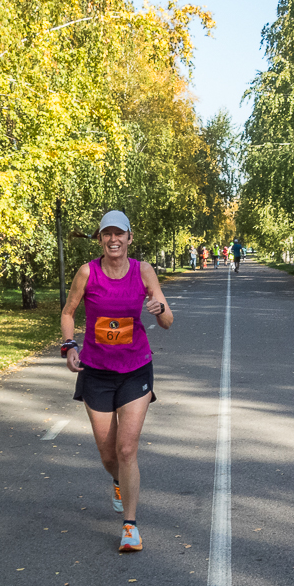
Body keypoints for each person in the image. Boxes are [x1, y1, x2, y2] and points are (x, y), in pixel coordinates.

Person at [61, 210, 173, 552]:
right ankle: (117, 481)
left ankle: (130, 527)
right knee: (107, 452)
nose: (113, 240)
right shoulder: (87, 272)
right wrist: (69, 347)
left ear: (129, 238)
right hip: (96, 370)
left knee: (127, 448)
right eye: (107, 234)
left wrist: (159, 309)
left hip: (136, 368)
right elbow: (68, 312)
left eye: (119, 234)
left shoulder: (143, 271)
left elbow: (167, 320)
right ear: (100, 239)